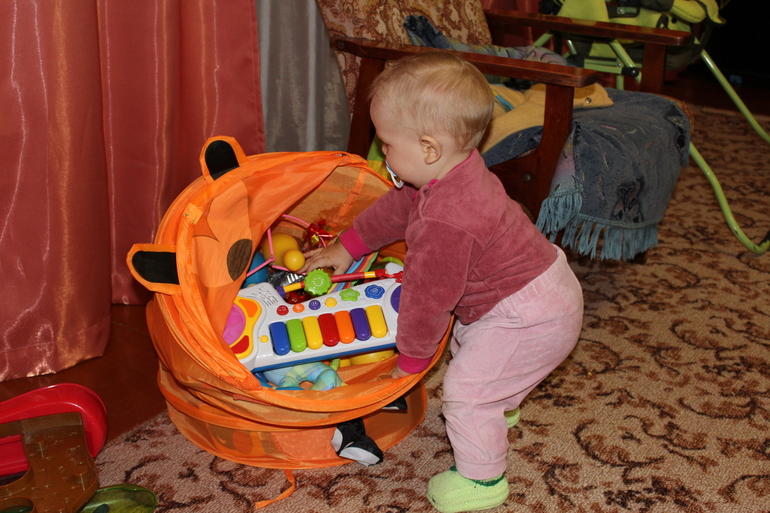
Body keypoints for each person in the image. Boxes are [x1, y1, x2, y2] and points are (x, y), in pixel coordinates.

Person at [300, 52, 584, 513]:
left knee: (466, 392)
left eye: (386, 144)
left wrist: (410, 362)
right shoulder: (452, 168)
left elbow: (428, 299)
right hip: (537, 290)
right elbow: (398, 206)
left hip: (530, 315)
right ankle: (502, 400)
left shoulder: (446, 222)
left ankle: (483, 480)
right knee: (473, 347)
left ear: (429, 149)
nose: (382, 153)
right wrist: (347, 246)